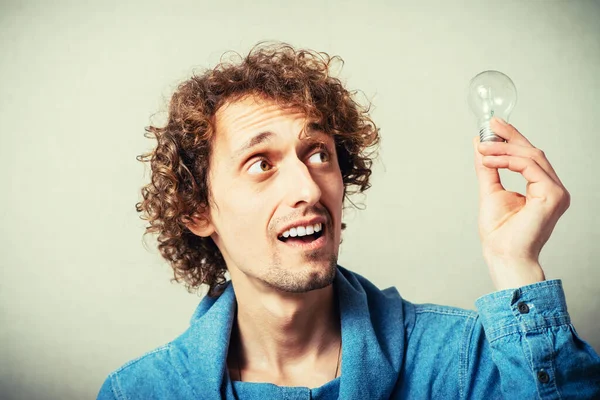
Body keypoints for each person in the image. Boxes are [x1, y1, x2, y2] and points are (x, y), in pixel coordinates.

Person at [97, 42, 600, 399]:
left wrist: (515, 262)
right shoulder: (139, 392)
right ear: (198, 211)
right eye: (261, 164)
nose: (308, 188)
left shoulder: (463, 361)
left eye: (317, 153)